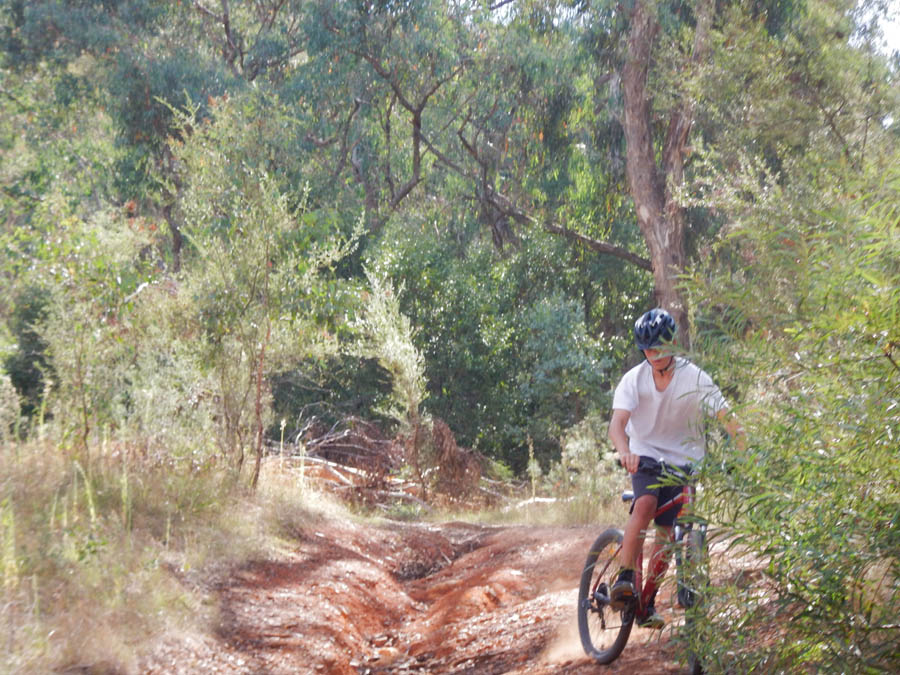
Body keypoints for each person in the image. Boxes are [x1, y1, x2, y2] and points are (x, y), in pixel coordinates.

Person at [607, 308, 742, 629]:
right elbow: (617, 425)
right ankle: (624, 577)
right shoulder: (634, 379)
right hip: (645, 456)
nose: (653, 355)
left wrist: (740, 455)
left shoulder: (695, 378)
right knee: (645, 504)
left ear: (673, 344)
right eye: (647, 349)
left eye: (659, 348)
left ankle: (647, 602)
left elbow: (730, 421)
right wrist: (625, 452)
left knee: (667, 536)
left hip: (685, 463)